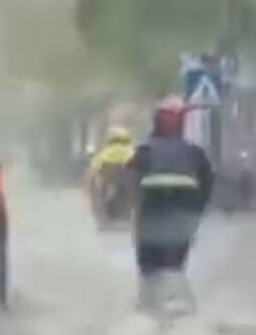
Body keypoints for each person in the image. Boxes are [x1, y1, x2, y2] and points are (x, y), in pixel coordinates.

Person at [127, 97, 214, 311]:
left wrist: (131, 209)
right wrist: (197, 213)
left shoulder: (145, 150)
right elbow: (208, 184)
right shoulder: (194, 152)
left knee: (149, 259)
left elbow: (129, 181)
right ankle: (177, 300)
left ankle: (147, 303)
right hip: (185, 206)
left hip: (152, 206)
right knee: (175, 260)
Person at [85, 127, 136, 227]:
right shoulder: (131, 151)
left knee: (97, 190)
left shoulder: (104, 153)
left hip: (109, 180)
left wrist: (90, 186)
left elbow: (93, 170)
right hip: (128, 183)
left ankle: (102, 215)